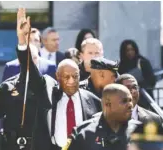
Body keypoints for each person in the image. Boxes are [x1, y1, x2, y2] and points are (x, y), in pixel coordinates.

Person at [14, 10, 102, 150]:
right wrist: (22, 41)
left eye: (75, 76)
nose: (71, 81)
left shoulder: (93, 100)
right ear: (58, 77)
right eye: (66, 77)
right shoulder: (48, 91)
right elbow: (29, 71)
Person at [0, 8, 53, 150]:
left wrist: (23, 41)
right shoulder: (7, 86)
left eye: (33, 59)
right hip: (10, 144)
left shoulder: (45, 84)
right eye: (27, 59)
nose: (30, 62)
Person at [64, 83, 139, 150]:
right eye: (124, 101)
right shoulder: (83, 133)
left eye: (130, 100)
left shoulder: (140, 130)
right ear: (108, 104)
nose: (130, 105)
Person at [118, 39, 156, 108]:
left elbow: (152, 80)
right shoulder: (121, 66)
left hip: (144, 100)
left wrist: (139, 86)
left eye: (132, 49)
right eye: (127, 50)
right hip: (128, 100)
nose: (130, 52)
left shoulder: (143, 62)